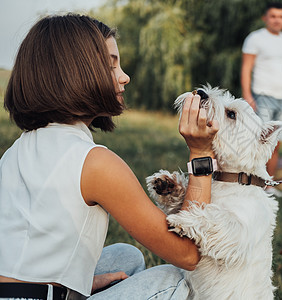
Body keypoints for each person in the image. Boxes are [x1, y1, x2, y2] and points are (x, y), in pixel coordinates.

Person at [0, 14, 218, 299]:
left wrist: (74, 285)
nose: (124, 76)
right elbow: (189, 254)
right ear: (74, 72)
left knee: (126, 257)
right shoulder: (96, 163)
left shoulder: (15, 151)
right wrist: (201, 155)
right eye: (111, 64)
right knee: (174, 279)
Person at [241, 2, 282, 177]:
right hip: (261, 96)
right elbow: (246, 67)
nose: (277, 20)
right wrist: (247, 95)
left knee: (277, 143)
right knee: (261, 141)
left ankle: (268, 183)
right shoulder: (255, 38)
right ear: (265, 18)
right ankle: (253, 179)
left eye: (281, 17)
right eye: (273, 16)